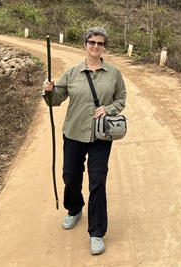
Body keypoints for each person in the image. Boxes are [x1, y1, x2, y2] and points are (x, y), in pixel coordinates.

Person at [42, 26, 126, 255]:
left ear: (104, 47)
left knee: (97, 181)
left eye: (100, 43)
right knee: (70, 176)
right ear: (85, 44)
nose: (95, 46)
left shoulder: (114, 73)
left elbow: (121, 99)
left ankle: (97, 232)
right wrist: (48, 90)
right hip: (74, 133)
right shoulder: (72, 72)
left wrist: (108, 109)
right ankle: (75, 208)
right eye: (92, 42)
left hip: (101, 136)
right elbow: (55, 100)